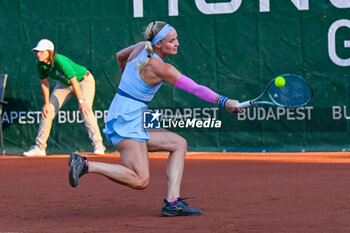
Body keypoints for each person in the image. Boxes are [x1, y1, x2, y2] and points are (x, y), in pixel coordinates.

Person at [68, 21, 242, 216]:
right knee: (140, 180)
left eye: (176, 39)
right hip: (128, 119)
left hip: (126, 112)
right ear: (158, 44)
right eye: (172, 40)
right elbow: (195, 88)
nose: (177, 44)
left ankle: (172, 202)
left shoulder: (141, 47)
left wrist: (131, 80)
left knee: (178, 143)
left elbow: (120, 56)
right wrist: (225, 102)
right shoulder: (162, 68)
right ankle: (85, 164)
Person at [23, 39, 106, 156]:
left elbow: (74, 81)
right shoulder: (40, 64)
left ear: (49, 52)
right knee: (48, 110)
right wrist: (46, 103)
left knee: (85, 110)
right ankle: (40, 147)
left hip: (83, 81)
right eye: (37, 51)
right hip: (64, 84)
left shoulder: (60, 61)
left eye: (41, 51)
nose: (38, 54)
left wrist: (81, 101)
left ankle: (98, 145)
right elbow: (44, 82)